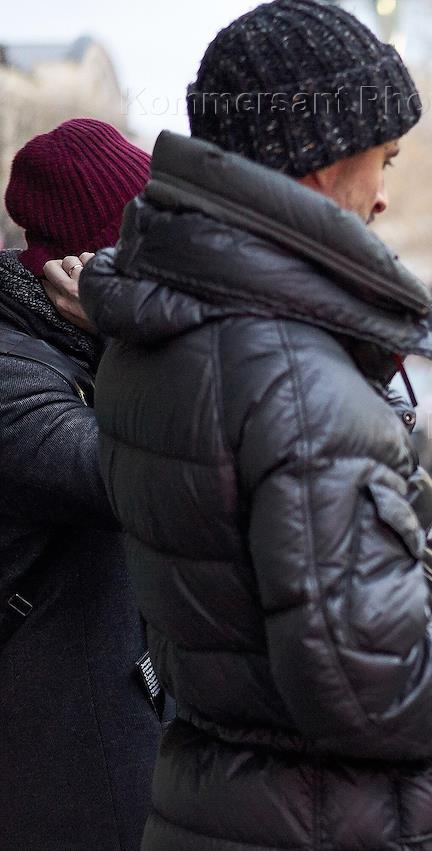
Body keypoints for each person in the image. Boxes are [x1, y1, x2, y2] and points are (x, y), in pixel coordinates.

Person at [78, 2, 432, 848]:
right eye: (385, 158)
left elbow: (291, 535)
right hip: (343, 820)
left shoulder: (170, 329)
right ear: (319, 161)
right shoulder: (292, 371)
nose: (383, 194)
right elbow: (374, 686)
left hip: (220, 805)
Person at [0, 118, 160, 850]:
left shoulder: (77, 344)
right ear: (86, 262)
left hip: (112, 731)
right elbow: (149, 476)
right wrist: (128, 330)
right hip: (65, 764)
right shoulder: (15, 372)